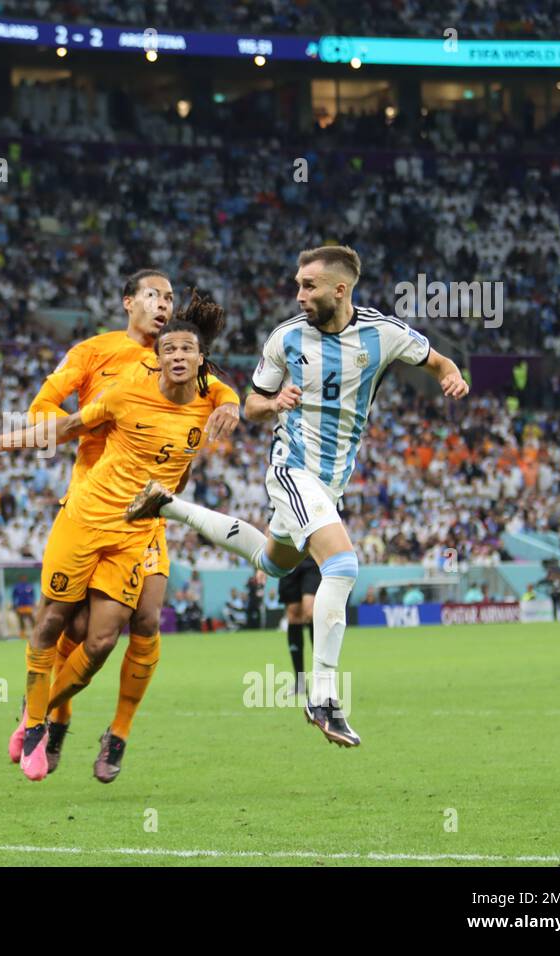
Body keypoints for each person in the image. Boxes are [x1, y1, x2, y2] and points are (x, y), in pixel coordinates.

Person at [127, 245, 468, 748]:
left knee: (274, 562)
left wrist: (451, 376)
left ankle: (169, 506)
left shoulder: (383, 333)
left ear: (340, 290)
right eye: (297, 284)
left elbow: (438, 361)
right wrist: (274, 402)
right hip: (293, 469)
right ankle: (324, 696)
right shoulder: (285, 339)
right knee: (343, 566)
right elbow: (252, 404)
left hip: (332, 481)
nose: (299, 294)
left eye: (308, 286)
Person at [0, 303, 259, 782]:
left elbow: (215, 420)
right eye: (169, 349)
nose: (178, 355)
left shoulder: (210, 399)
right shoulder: (126, 389)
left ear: (202, 358)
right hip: (86, 515)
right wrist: (1, 442)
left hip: (137, 531)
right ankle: (42, 720)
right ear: (157, 357)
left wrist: (233, 402)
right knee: (60, 623)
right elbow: (65, 425)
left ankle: (53, 718)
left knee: (107, 637)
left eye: (188, 348)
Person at [278, 558, 320, 696]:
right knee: (293, 615)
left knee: (310, 611)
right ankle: (300, 683)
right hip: (287, 560)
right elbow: (268, 535)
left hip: (311, 559)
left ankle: (321, 680)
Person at [11, 574, 36, 641]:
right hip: (20, 605)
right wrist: (14, 605)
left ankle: (35, 633)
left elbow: (33, 595)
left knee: (31, 619)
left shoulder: (29, 585)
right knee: (21, 619)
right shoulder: (17, 586)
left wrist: (33, 603)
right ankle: (22, 634)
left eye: (25, 577)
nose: (24, 578)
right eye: (22, 577)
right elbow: (13, 596)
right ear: (20, 578)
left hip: (28, 605)